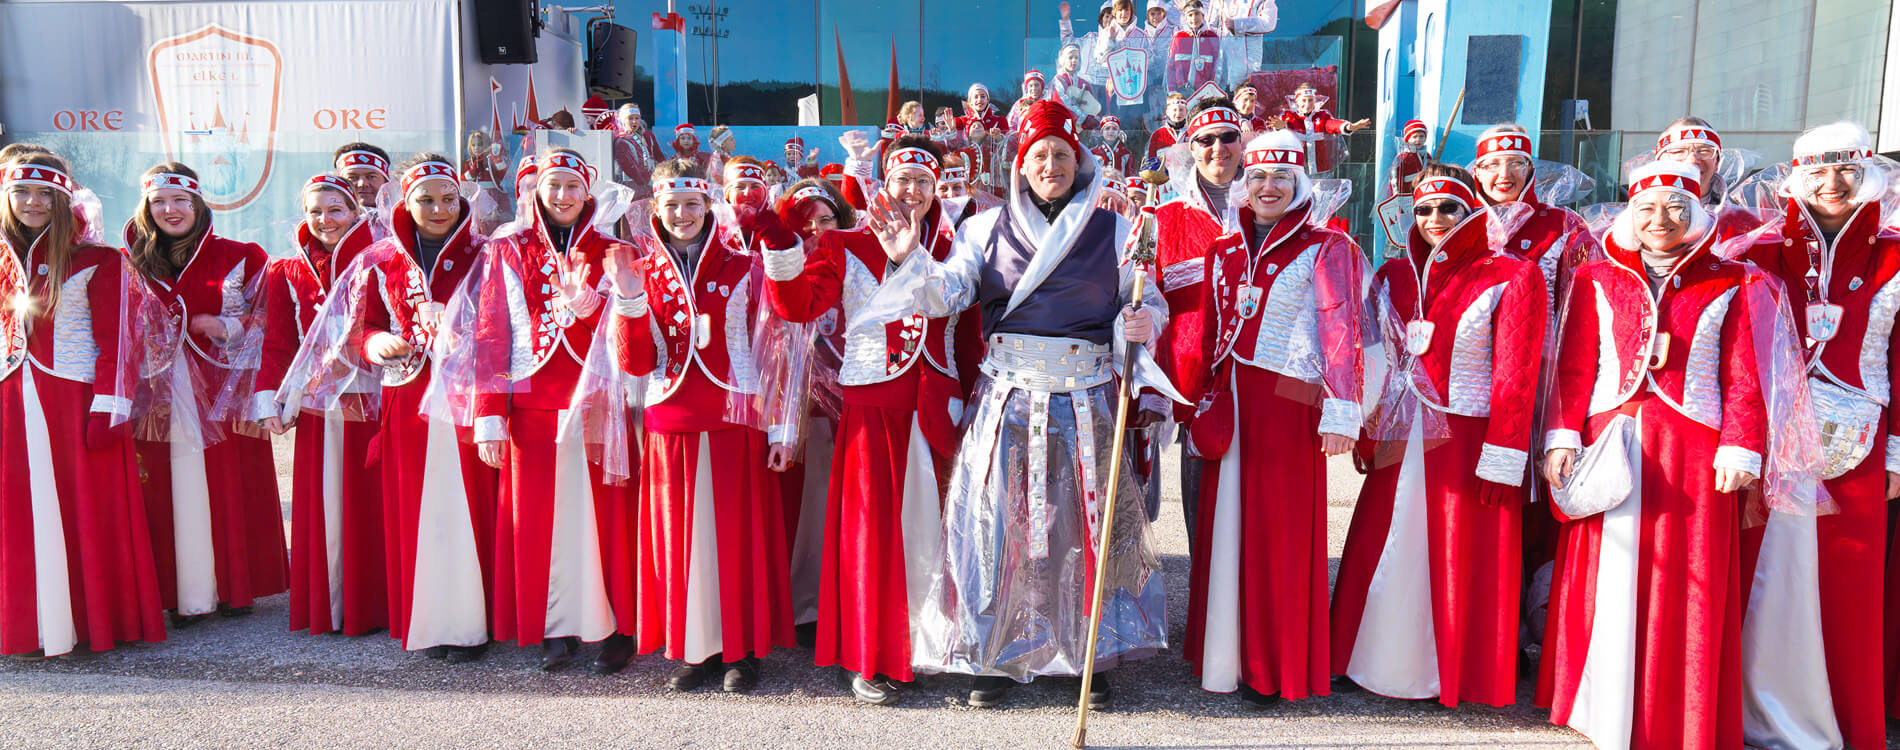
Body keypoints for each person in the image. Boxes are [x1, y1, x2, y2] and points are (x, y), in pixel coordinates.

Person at [852, 99, 1175, 709]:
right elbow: (947, 293)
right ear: (1019, 165)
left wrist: (1140, 321)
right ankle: (993, 653)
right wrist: (908, 259)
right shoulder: (982, 228)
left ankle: (1089, 653)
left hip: (1086, 398)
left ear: (1078, 161)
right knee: (996, 525)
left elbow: (1148, 300)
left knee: (1082, 525)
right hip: (1009, 398)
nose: (1049, 164)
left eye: (1060, 154)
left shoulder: (1116, 229)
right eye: (1038, 155)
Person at [1538, 160, 1801, 749]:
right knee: (1609, 573)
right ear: (1632, 213)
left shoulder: (1737, 282)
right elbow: (1576, 368)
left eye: (1676, 209)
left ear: (1697, 213)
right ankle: (1599, 702)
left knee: (1688, 582)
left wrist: (1742, 446)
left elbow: (1744, 375)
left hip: (1693, 450)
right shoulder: (1596, 279)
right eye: (1649, 209)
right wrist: (1562, 437)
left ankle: (1675, 708)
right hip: (1612, 442)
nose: (1661, 220)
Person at [760, 136, 974, 706]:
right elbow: (799, 306)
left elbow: (969, 334)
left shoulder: (958, 243)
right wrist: (781, 245)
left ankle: (928, 645)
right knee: (872, 535)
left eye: (923, 183)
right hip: (872, 409)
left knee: (933, 534)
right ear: (884, 182)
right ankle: (869, 653)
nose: (912, 191)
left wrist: (973, 401)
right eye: (902, 179)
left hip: (935, 408)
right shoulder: (844, 243)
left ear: (935, 190)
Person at [1331, 164, 1545, 707]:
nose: (1434, 219)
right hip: (1401, 433)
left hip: (1469, 438)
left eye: (1448, 207)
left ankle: (1454, 668)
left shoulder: (1513, 274)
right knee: (1383, 540)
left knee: (1460, 551)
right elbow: (1372, 358)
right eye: (1423, 209)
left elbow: (1517, 374)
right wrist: (1367, 428)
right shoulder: (1393, 276)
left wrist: (1505, 453)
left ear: (1471, 209)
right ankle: (1368, 660)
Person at [1178, 131, 1363, 706]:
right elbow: (1206, 333)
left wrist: (1341, 411)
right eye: (1257, 177)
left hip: (1290, 404)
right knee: (1227, 525)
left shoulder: (1327, 246)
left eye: (1280, 177)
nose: (1267, 187)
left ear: (1299, 182)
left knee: (1277, 531)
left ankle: (1272, 660)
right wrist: (1188, 398)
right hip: (1232, 400)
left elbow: (1342, 332)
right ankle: (1224, 654)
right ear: (1243, 184)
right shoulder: (1224, 250)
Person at [603, 157, 800, 693]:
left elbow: (778, 351)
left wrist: (783, 430)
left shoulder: (744, 263)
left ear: (708, 205)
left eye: (693, 204)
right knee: (681, 540)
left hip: (738, 416)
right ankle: (698, 647)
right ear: (656, 209)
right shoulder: (638, 266)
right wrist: (628, 298)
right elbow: (637, 363)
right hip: (670, 416)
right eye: (672, 205)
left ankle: (744, 649)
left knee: (737, 538)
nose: (683, 214)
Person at [1734, 122, 1895, 750]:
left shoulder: (1897, 253)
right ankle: (1746, 710)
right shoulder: (1758, 251)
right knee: (1759, 570)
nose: (1833, 186)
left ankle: (1843, 720)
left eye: (1847, 172)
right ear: (1797, 178)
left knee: (1846, 582)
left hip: (1859, 437)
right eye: (1819, 173)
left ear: (1869, 175)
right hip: (1770, 432)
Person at [456, 149, 631, 672]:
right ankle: (553, 624)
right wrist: (488, 416)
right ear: (535, 190)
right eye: (552, 185)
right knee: (538, 523)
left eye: (572, 186)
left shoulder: (616, 248)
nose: (562, 196)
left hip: (601, 400)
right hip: (530, 405)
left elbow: (635, 328)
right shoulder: (504, 249)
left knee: (607, 521)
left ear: (588, 192)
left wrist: (589, 308)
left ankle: (616, 626)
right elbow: (489, 335)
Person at [0, 153, 167, 657]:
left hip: (75, 401)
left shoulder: (98, 259)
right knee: (17, 513)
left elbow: (120, 342)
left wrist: (108, 408)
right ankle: (26, 626)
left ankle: (90, 621)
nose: (33, 202)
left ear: (63, 199)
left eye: (46, 194)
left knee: (86, 511)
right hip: (9, 400)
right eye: (23, 192)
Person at [124, 162, 288, 626]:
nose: (170, 210)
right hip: (154, 393)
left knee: (223, 482)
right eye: (159, 201)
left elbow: (272, 319)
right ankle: (177, 590)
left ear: (198, 203)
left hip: (219, 393)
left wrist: (229, 326)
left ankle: (231, 585)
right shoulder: (129, 260)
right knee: (163, 486)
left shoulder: (240, 254)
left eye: (180, 200)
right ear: (146, 207)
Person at [253, 174, 384, 637]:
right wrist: (270, 395)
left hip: (370, 395)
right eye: (315, 211)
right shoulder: (285, 271)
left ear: (355, 211)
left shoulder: (380, 258)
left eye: (336, 209)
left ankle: (374, 602)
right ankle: (328, 603)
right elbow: (277, 341)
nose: (325, 220)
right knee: (323, 497)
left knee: (367, 497)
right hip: (315, 401)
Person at [1152, 97, 1245, 558]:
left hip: (1260, 387)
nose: (1218, 148)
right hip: (1193, 388)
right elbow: (1143, 303)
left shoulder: (1271, 208)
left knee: (1259, 517)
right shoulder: (1164, 218)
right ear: (1191, 147)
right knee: (1201, 512)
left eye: (1228, 137)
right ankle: (1206, 626)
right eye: (1206, 140)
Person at [1652, 119, 1763, 243]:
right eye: (1678, 151)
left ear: (1716, 162)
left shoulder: (1745, 224)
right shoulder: (1640, 221)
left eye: (1704, 151)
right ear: (1660, 163)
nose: (1692, 160)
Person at [1266, 83, 1368, 177]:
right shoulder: (1288, 116)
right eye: (1303, 100)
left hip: (1320, 168)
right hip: (1294, 167)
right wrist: (1280, 128)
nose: (1307, 104)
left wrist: (1349, 127)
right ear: (1297, 102)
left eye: (1310, 100)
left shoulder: (1322, 115)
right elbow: (1277, 132)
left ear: (1315, 101)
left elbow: (1332, 124)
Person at [612, 104, 666, 201]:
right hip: (631, 188)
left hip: (649, 185)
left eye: (637, 118)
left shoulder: (645, 137)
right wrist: (650, 180)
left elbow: (658, 156)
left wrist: (666, 171)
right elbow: (630, 167)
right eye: (630, 118)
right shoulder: (621, 141)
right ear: (623, 121)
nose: (634, 121)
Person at [1166, 1, 1223, 93]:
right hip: (1182, 91)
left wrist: (1213, 88)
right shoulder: (1179, 37)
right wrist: (1172, 90)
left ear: (1203, 16)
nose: (1194, 18)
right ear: (1185, 18)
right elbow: (1170, 66)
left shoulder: (1211, 37)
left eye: (1197, 14)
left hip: (1205, 92)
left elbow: (1217, 65)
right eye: (1190, 15)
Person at [1390, 119, 1428, 198]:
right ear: (1407, 139)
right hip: (1405, 196)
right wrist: (1396, 196)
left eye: (1421, 136)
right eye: (1414, 137)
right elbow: (1395, 178)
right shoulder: (1402, 157)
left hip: (1423, 195)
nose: (1418, 140)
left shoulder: (1427, 156)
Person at [1147, 92, 1189, 162]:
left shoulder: (1191, 132)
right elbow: (1151, 161)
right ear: (1167, 112)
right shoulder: (1158, 135)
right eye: (1174, 110)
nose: (1178, 113)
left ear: (1186, 111)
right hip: (1164, 173)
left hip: (1188, 172)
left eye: (1181, 110)